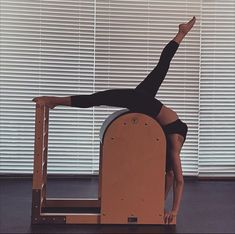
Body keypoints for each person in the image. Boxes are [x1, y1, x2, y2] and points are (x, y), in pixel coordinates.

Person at [33, 16, 196, 224]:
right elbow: (179, 180)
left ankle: (182, 33)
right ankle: (54, 101)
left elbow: (171, 177)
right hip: (148, 106)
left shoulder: (171, 142)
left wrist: (160, 205)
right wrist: (174, 211)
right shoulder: (173, 144)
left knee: (160, 68)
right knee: (102, 97)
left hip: (150, 106)